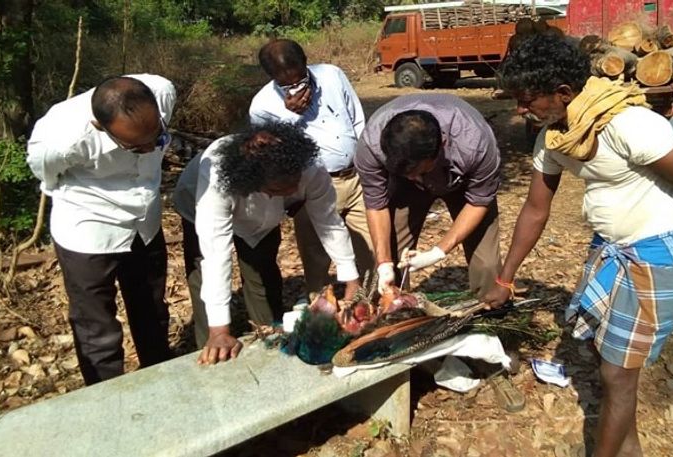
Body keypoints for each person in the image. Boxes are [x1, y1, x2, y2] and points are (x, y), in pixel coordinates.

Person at [484, 35, 673, 457]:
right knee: (611, 363)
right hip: (612, 248)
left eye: (527, 99)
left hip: (657, 254)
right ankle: (628, 448)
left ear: (563, 93)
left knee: (617, 376)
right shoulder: (556, 137)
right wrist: (505, 277)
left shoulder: (627, 124)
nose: (521, 110)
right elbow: (535, 210)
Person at [26, 75, 176, 385]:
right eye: (135, 147)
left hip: (144, 221)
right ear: (99, 127)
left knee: (151, 308)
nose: (150, 150)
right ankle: (108, 401)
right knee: (98, 330)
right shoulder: (60, 139)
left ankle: (162, 382)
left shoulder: (162, 92)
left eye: (156, 138)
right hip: (89, 229)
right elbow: (49, 178)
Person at [172, 122, 361, 363]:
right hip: (198, 207)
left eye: (295, 184)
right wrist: (219, 331)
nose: (294, 191)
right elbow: (216, 254)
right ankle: (211, 347)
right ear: (255, 182)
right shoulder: (218, 179)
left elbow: (328, 222)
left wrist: (351, 281)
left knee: (263, 276)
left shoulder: (310, 169)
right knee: (205, 283)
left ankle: (268, 343)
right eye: (281, 189)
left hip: (262, 222)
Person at [249, 39, 374, 304]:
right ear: (271, 77)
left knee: (369, 247)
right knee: (317, 256)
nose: (295, 87)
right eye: (285, 84)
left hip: (354, 177)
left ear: (306, 62)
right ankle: (322, 310)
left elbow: (357, 119)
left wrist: (366, 163)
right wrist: (292, 116)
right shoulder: (262, 107)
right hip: (311, 187)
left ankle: (372, 304)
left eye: (299, 78)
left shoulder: (331, 75)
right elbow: (274, 158)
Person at [354, 94, 503, 297]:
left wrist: (437, 252)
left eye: (419, 171)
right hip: (404, 186)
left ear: (441, 145)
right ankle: (394, 310)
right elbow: (376, 204)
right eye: (408, 172)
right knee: (393, 252)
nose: (414, 177)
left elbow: (478, 201)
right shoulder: (370, 145)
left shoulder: (475, 143)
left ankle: (490, 310)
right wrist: (384, 263)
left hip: (462, 182)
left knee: (487, 263)